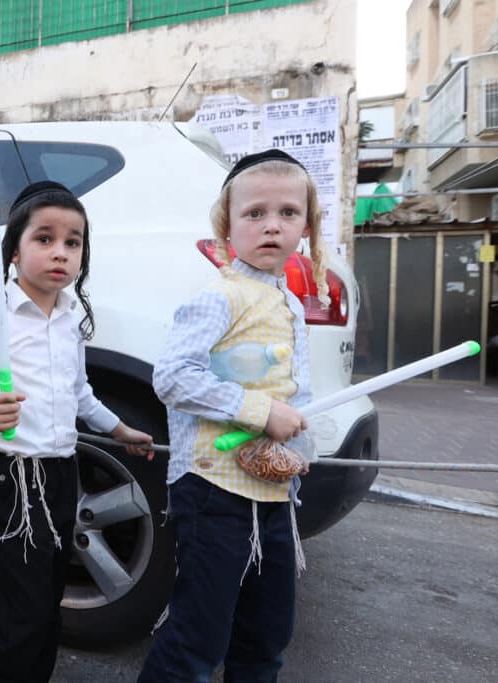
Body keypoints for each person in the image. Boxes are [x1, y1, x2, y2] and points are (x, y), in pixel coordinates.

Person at [0, 181, 154, 682]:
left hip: (59, 478)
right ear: (14, 251)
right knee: (23, 614)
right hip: (2, 482)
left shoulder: (71, 321)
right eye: (45, 239)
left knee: (46, 608)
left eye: (72, 242)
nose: (60, 252)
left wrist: (120, 429)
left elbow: (79, 395)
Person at [138, 149, 328, 682]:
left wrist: (298, 449)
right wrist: (262, 412)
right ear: (228, 223)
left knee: (266, 637)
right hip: (214, 491)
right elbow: (172, 378)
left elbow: (299, 391)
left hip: (273, 497)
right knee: (197, 638)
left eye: (288, 213)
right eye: (255, 214)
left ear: (307, 225)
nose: (272, 226)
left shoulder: (288, 302)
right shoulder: (218, 296)